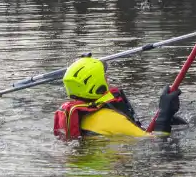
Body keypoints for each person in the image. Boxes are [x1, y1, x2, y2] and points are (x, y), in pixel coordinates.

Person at [53, 55, 182, 139]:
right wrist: (165, 114)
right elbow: (156, 143)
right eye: (105, 77)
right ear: (97, 85)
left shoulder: (78, 114)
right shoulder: (112, 120)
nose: (108, 80)